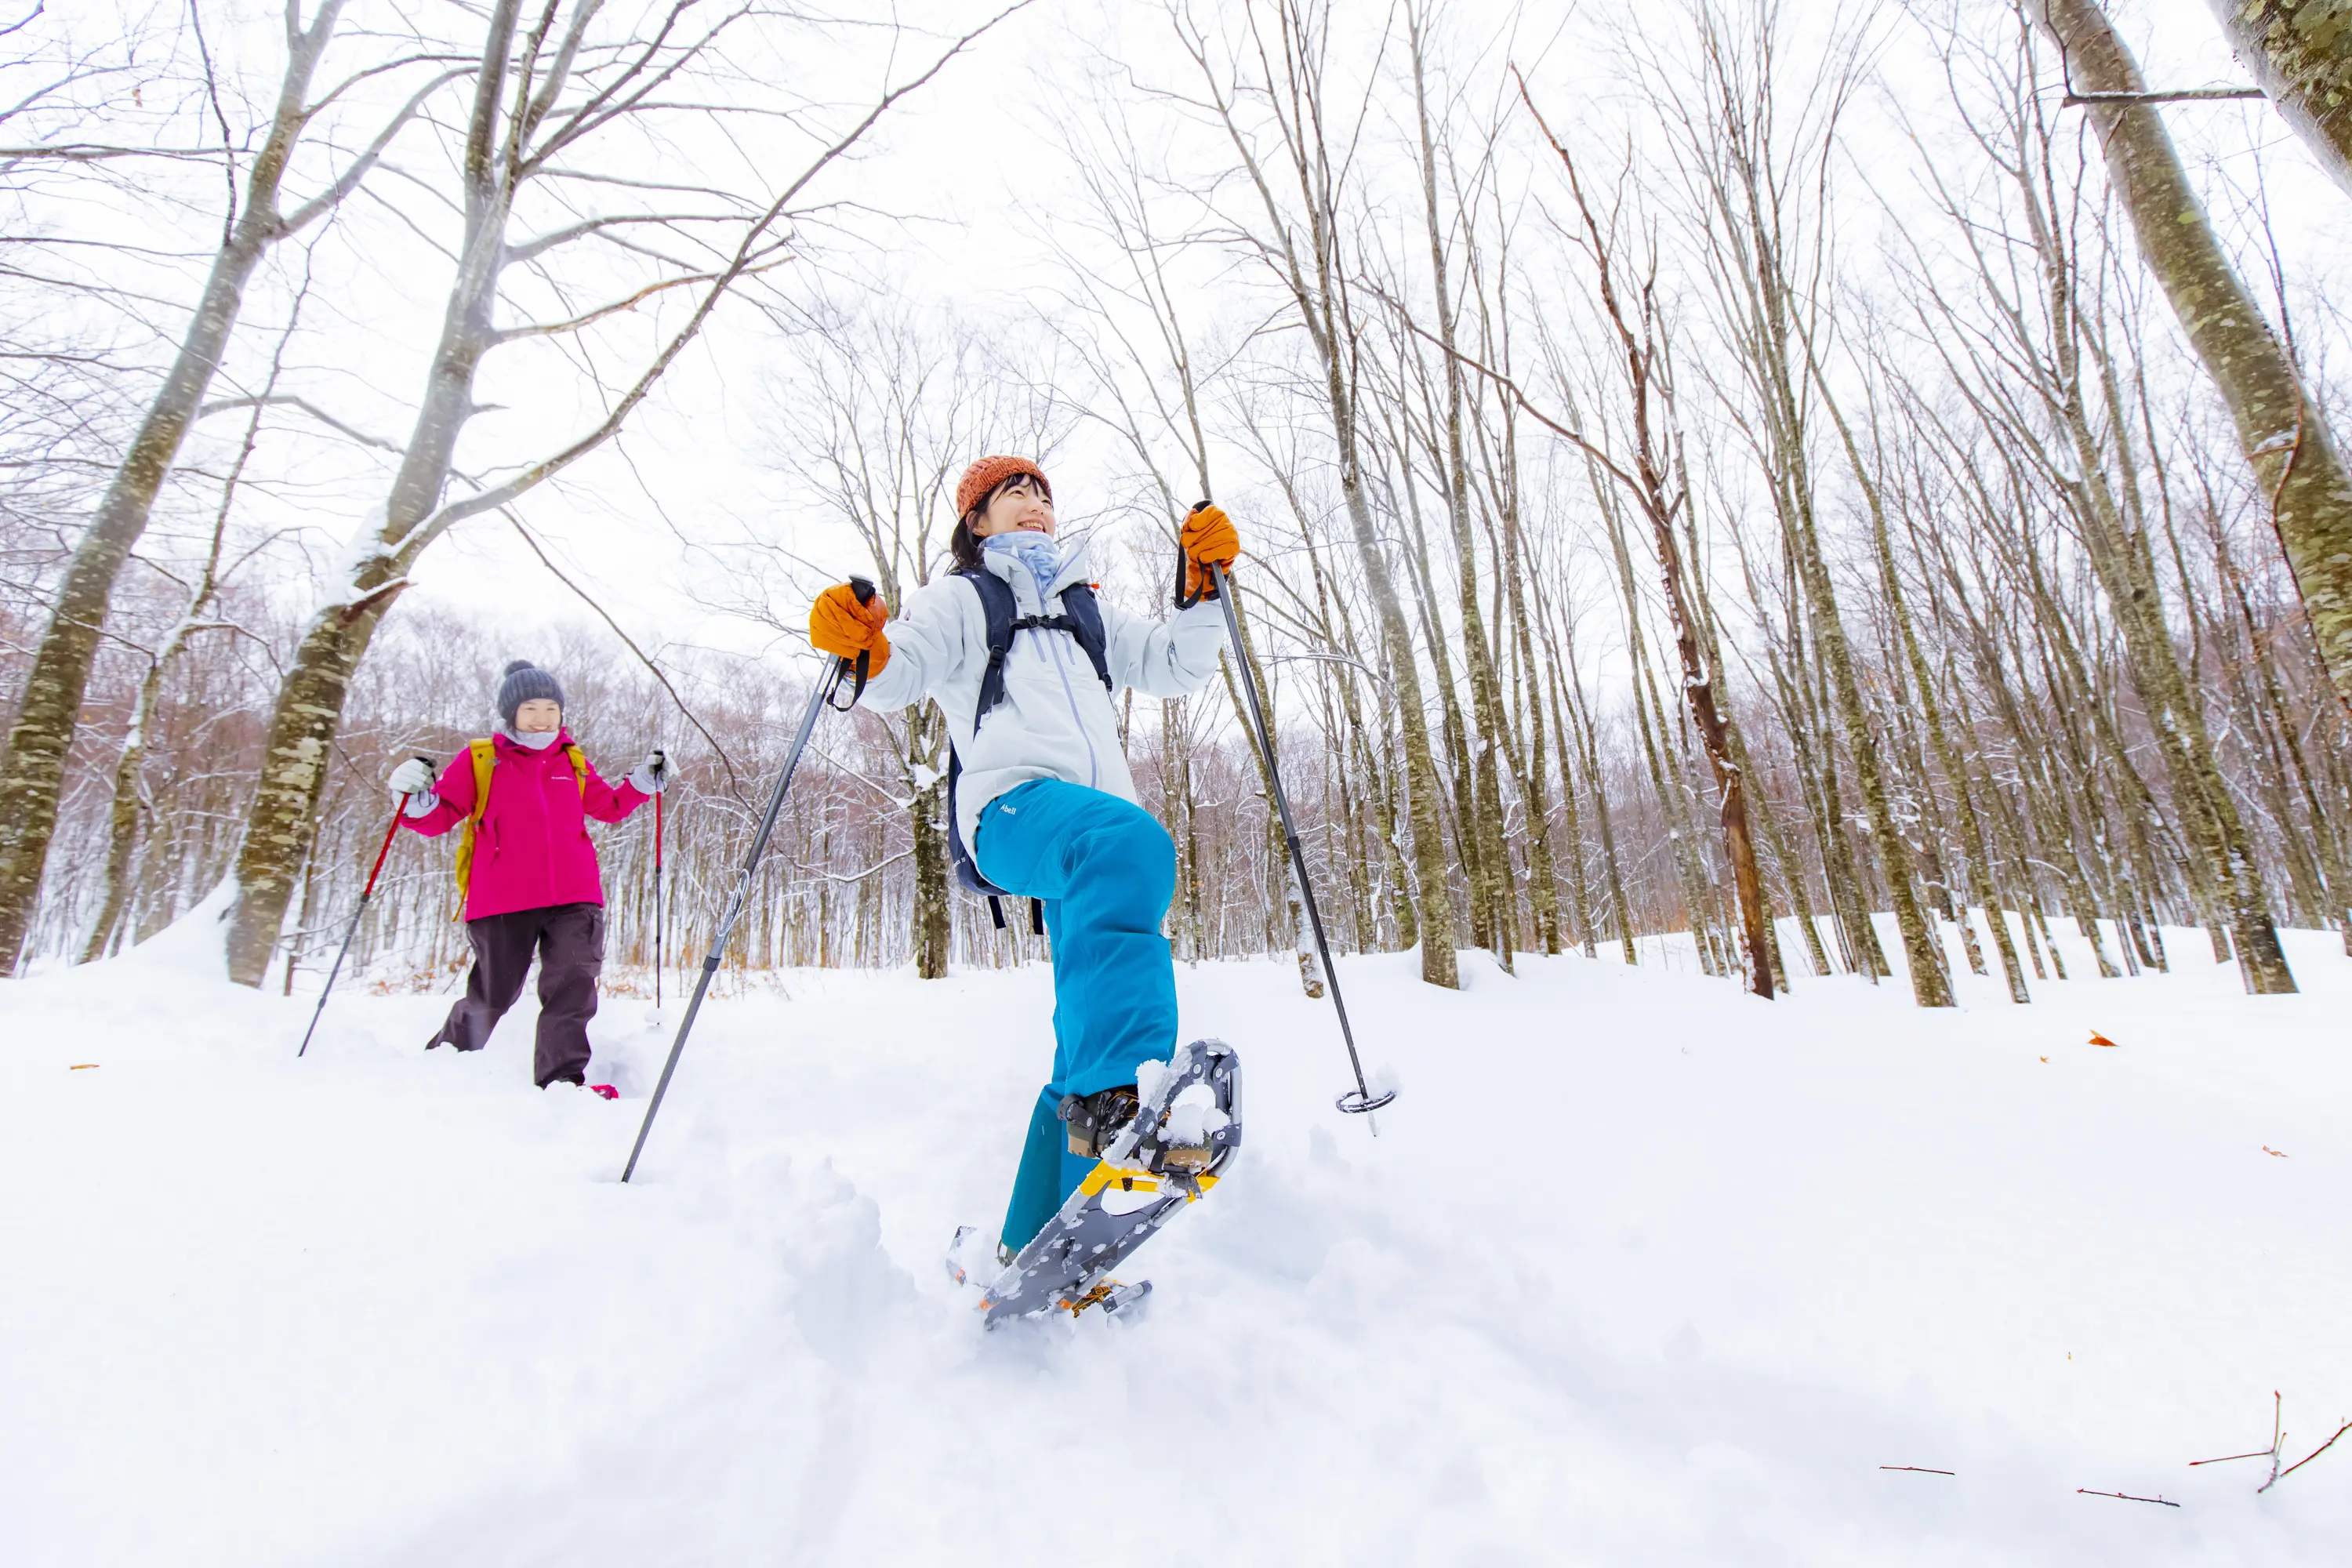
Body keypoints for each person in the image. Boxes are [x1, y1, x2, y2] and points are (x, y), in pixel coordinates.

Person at [808, 456, 1240, 1258]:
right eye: (1015, 493)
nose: (1035, 502)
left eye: (1044, 491)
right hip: (1012, 812)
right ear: (977, 521)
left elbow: (1178, 664)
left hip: (1086, 842)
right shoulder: (964, 597)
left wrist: (1202, 590)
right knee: (1134, 843)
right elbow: (902, 667)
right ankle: (1129, 1096)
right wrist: (860, 650)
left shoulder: (1088, 609)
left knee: (1081, 1039)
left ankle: (1029, 1238)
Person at [387, 659, 668, 1090]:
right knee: (493, 995)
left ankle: (561, 1082)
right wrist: (412, 798)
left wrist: (643, 783)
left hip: (575, 897)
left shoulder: (571, 760)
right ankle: (441, 1064)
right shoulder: (482, 759)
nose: (543, 719)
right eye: (532, 708)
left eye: (552, 709)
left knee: (573, 989)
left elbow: (607, 808)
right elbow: (437, 817)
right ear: (511, 713)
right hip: (503, 899)